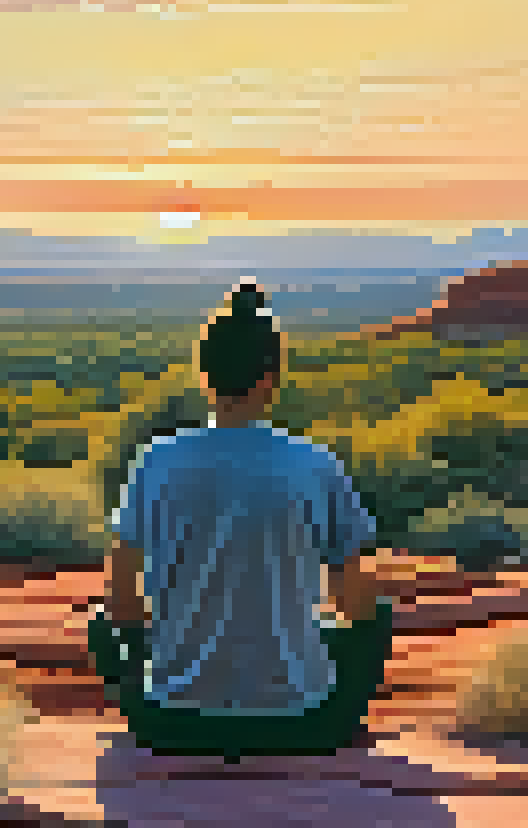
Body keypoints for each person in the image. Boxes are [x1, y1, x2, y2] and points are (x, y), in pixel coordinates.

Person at [86, 279, 396, 761]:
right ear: (270, 377)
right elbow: (354, 606)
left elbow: (122, 600)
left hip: (170, 722)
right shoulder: (315, 464)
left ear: (205, 373)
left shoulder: (156, 461)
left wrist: (168, 635)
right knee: (375, 620)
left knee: (99, 624)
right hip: (305, 723)